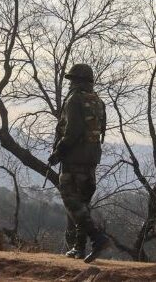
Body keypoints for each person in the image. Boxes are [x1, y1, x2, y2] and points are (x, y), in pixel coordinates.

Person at [49, 63, 110, 263]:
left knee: (71, 200)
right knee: (83, 203)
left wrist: (58, 152)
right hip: (92, 158)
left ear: (79, 81)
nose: (70, 84)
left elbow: (72, 131)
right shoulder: (98, 101)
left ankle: (97, 238)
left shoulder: (74, 100)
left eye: (72, 80)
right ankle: (79, 247)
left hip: (74, 158)